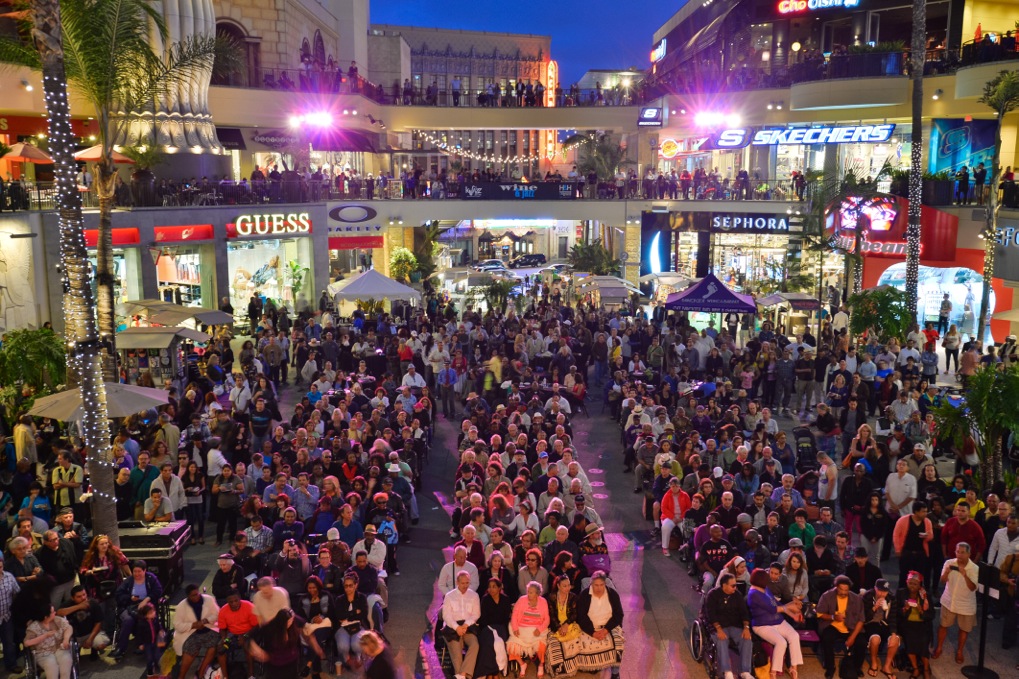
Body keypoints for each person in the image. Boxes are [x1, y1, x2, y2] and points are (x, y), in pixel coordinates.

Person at [747, 568, 802, 679]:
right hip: (762, 625)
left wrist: (793, 615)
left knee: (794, 636)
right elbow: (773, 609)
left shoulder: (765, 589)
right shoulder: (754, 594)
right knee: (781, 642)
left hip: (777, 621)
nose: (769, 578)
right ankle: (773, 672)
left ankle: (793, 668)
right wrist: (790, 606)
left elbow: (777, 603)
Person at [933, 541, 979, 663]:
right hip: (949, 600)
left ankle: (959, 651)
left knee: (964, 629)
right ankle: (939, 648)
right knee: (943, 625)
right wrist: (947, 572)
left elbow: (973, 588)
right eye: (957, 552)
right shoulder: (949, 563)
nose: (959, 555)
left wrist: (965, 575)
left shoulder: (974, 568)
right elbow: (942, 581)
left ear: (969, 554)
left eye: (962, 552)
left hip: (966, 604)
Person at [704, 572, 755, 679]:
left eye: (735, 585)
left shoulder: (737, 595)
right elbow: (711, 614)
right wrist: (718, 629)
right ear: (724, 585)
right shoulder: (713, 595)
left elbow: (744, 612)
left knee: (747, 639)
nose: (735, 588)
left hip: (734, 625)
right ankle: (727, 671)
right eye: (733, 585)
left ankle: (745, 671)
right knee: (722, 640)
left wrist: (746, 628)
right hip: (718, 626)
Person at [111, 560, 163, 659]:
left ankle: (143, 644)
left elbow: (158, 591)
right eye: (135, 571)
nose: (137, 574)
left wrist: (147, 599)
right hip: (130, 606)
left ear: (144, 571)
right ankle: (121, 648)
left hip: (146, 605)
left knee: (144, 618)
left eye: (139, 571)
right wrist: (130, 598)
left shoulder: (151, 578)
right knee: (128, 620)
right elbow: (118, 594)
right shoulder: (129, 581)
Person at [575, 571, 624, 678]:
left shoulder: (612, 594)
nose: (599, 588)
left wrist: (606, 630)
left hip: (609, 626)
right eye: (596, 585)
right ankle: (595, 665)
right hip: (590, 627)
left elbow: (619, 615)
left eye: (601, 585)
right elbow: (581, 617)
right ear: (591, 584)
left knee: (618, 644)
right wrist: (593, 632)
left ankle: (615, 672)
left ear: (605, 584)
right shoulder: (584, 595)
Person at [816, 576, 865, 679]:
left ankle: (857, 667)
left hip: (851, 627)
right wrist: (833, 617)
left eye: (846, 590)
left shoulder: (856, 599)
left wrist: (852, 637)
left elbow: (861, 620)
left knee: (862, 642)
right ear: (836, 587)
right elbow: (819, 614)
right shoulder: (827, 596)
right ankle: (830, 667)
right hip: (833, 625)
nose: (843, 592)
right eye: (841, 589)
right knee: (827, 638)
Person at [172, 584, 220, 679]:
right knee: (191, 649)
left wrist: (205, 621)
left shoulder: (209, 599)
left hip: (208, 628)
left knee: (214, 645)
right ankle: (181, 676)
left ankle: (201, 672)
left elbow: (217, 614)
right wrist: (193, 625)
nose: (196, 597)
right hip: (191, 632)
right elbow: (177, 625)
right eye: (193, 595)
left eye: (197, 594)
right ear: (188, 596)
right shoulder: (181, 606)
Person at [441, 570, 481, 679]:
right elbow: (446, 616)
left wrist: (465, 625)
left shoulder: (474, 595)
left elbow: (476, 614)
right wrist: (457, 627)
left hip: (468, 626)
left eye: (467, 583)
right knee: (457, 653)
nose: (465, 586)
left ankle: (462, 674)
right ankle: (463, 675)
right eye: (463, 583)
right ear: (457, 582)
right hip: (452, 627)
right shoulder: (449, 596)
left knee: (475, 645)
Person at [507, 581, 550, 677]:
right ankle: (522, 664)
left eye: (531, 592)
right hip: (521, 628)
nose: (528, 594)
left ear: (537, 594)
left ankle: (541, 665)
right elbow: (514, 615)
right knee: (511, 646)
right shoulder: (521, 600)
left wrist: (540, 629)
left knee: (541, 647)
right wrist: (515, 628)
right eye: (528, 592)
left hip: (536, 629)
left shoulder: (543, 601)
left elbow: (547, 619)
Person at [895, 571, 933, 679]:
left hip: (922, 624)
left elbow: (931, 615)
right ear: (906, 582)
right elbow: (895, 611)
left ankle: (926, 669)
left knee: (923, 643)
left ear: (919, 585)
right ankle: (916, 668)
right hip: (907, 624)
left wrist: (921, 611)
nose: (912, 586)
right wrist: (904, 609)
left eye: (915, 584)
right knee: (910, 642)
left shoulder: (925, 595)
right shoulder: (901, 593)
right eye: (910, 583)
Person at [860, 579, 899, 679]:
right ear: (875, 588)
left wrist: (893, 634)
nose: (882, 594)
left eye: (885, 591)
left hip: (885, 623)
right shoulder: (867, 596)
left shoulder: (891, 598)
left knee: (895, 640)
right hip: (871, 623)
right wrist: (874, 607)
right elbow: (863, 618)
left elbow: (893, 618)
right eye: (880, 591)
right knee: (875, 639)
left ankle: (886, 666)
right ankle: (874, 663)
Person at [24, 605, 74, 679]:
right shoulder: (33, 627)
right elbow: (27, 643)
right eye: (53, 612)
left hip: (59, 648)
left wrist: (66, 639)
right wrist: (45, 636)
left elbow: (68, 628)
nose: (55, 613)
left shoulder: (57, 620)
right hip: (43, 653)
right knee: (51, 665)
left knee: (66, 660)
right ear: (46, 617)